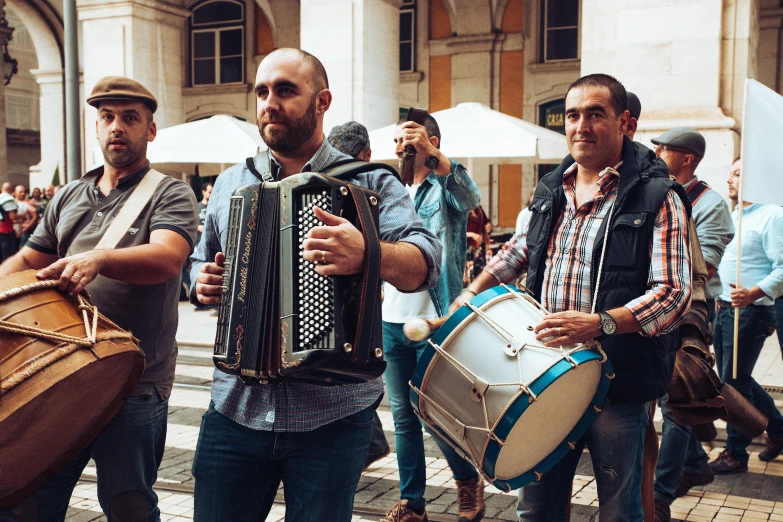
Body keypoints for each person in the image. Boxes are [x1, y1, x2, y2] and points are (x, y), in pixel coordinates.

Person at [190, 48, 442, 522]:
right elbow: (202, 260)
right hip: (234, 409)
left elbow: (424, 263)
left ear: (322, 101)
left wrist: (369, 253)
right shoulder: (230, 183)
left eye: (286, 90)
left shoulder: (369, 182)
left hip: (332, 416)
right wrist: (200, 280)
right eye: (262, 91)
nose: (269, 103)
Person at [451, 73, 692, 522]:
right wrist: (471, 290)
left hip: (618, 380)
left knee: (620, 511)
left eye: (595, 114)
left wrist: (599, 323)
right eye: (573, 115)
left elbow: (674, 294)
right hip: (546, 375)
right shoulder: (550, 188)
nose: (581, 125)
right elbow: (519, 249)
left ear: (626, 124)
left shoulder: (659, 195)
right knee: (536, 508)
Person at [0, 76, 198, 520]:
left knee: (128, 505)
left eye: (130, 118)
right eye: (107, 117)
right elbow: (27, 259)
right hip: (60, 376)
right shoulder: (70, 194)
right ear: (96, 127)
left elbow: (169, 257)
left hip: (135, 381)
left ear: (150, 130)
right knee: (28, 501)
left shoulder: (170, 192)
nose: (116, 127)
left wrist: (101, 259)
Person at [380, 112, 483, 522]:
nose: (402, 149)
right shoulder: (389, 191)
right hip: (391, 318)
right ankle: (413, 504)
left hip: (436, 318)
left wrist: (433, 155)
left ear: (430, 141)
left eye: (411, 141)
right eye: (399, 142)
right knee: (404, 418)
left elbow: (472, 197)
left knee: (435, 414)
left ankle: (466, 479)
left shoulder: (445, 191)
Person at [649, 127, 734, 520]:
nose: (657, 155)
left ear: (686, 158)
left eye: (664, 150)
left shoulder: (710, 202)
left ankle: (661, 494)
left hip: (691, 314)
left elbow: (707, 266)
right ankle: (696, 462)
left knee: (676, 399)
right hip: (654, 307)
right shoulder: (657, 191)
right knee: (670, 393)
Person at [708, 157, 783, 474]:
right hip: (724, 309)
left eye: (737, 174)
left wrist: (753, 292)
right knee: (735, 378)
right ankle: (778, 428)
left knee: (734, 384)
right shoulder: (733, 214)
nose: (729, 180)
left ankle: (736, 452)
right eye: (730, 174)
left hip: (751, 312)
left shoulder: (773, 215)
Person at [326, 120, 391, 470]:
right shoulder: (368, 186)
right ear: (366, 153)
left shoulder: (376, 181)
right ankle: (373, 441)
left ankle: (370, 440)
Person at [0, 182, 18, 262]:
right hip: (5, 232)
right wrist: (22, 216)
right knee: (7, 257)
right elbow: (12, 216)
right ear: (11, 190)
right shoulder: (8, 198)